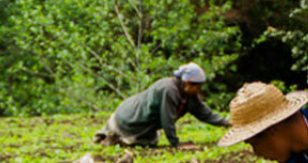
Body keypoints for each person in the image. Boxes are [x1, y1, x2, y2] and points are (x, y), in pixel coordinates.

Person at [94, 63, 230, 148]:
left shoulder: (188, 95)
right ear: (187, 83)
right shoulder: (169, 90)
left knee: (151, 142)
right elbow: (167, 118)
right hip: (129, 117)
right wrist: (176, 144)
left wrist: (226, 123)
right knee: (145, 143)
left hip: (142, 121)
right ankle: (113, 137)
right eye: (197, 87)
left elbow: (204, 112)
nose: (199, 91)